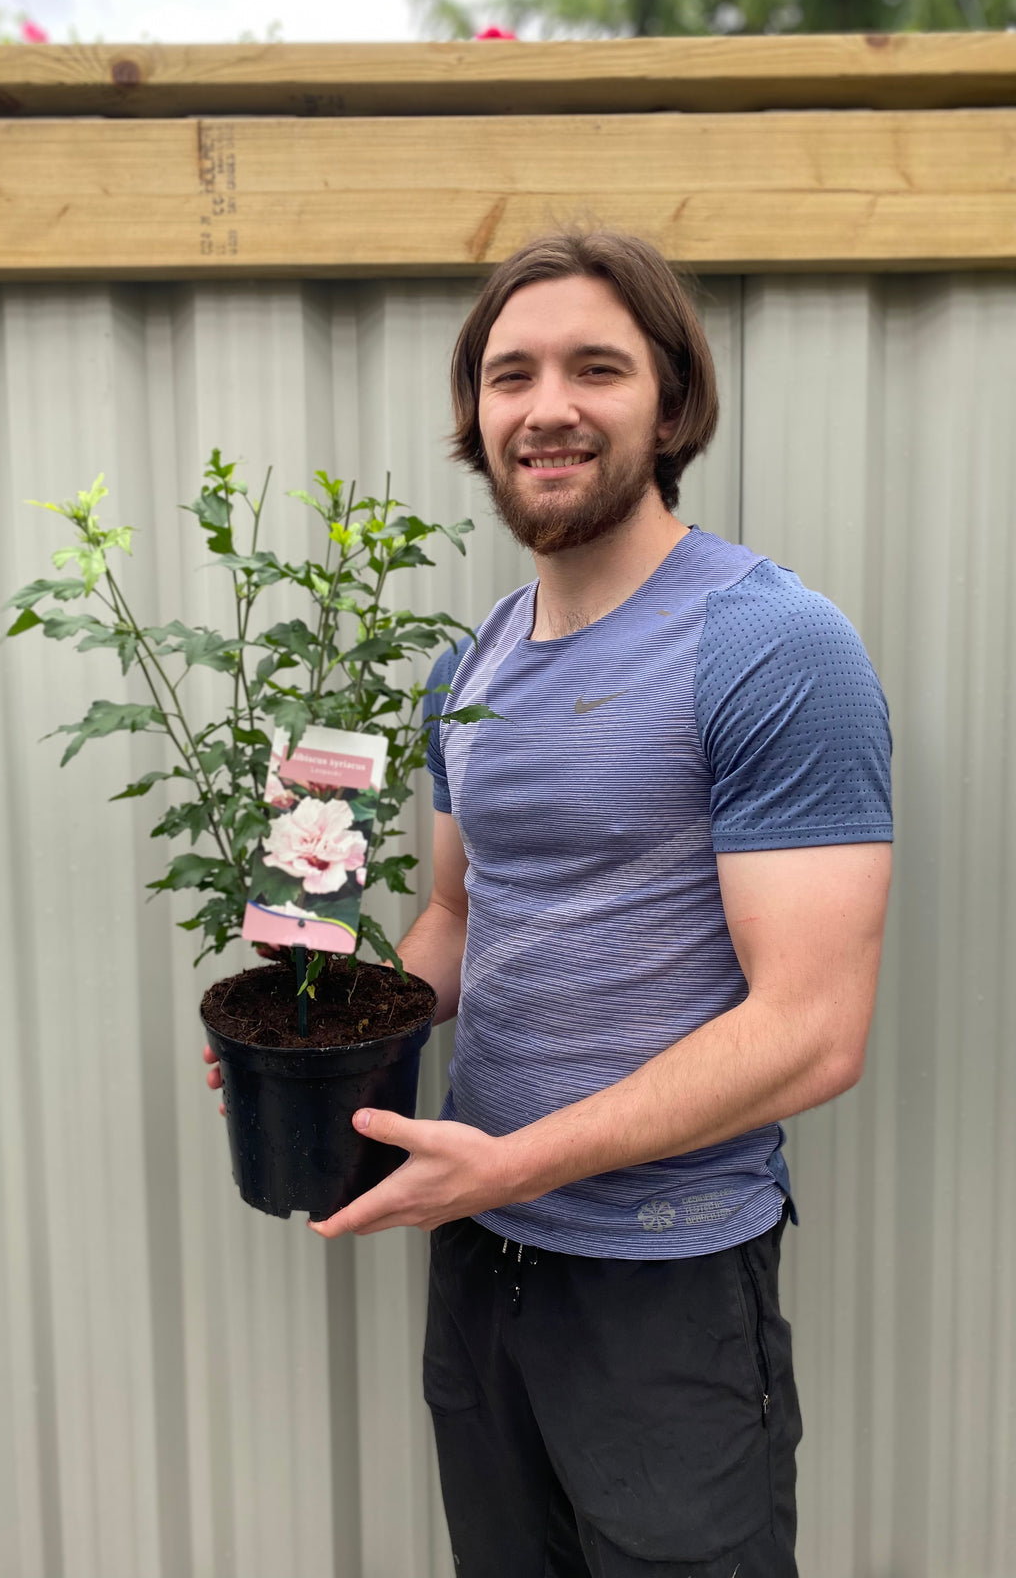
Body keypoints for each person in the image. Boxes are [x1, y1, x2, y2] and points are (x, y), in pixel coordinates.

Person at [204, 230, 893, 1577]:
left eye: (597, 368)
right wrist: (319, 1033)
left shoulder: (770, 644)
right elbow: (460, 917)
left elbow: (816, 1031)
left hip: (663, 1276)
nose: (548, 407)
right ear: (477, 417)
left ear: (672, 405)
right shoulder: (471, 664)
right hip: (482, 1259)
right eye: (510, 375)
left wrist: (514, 1162)